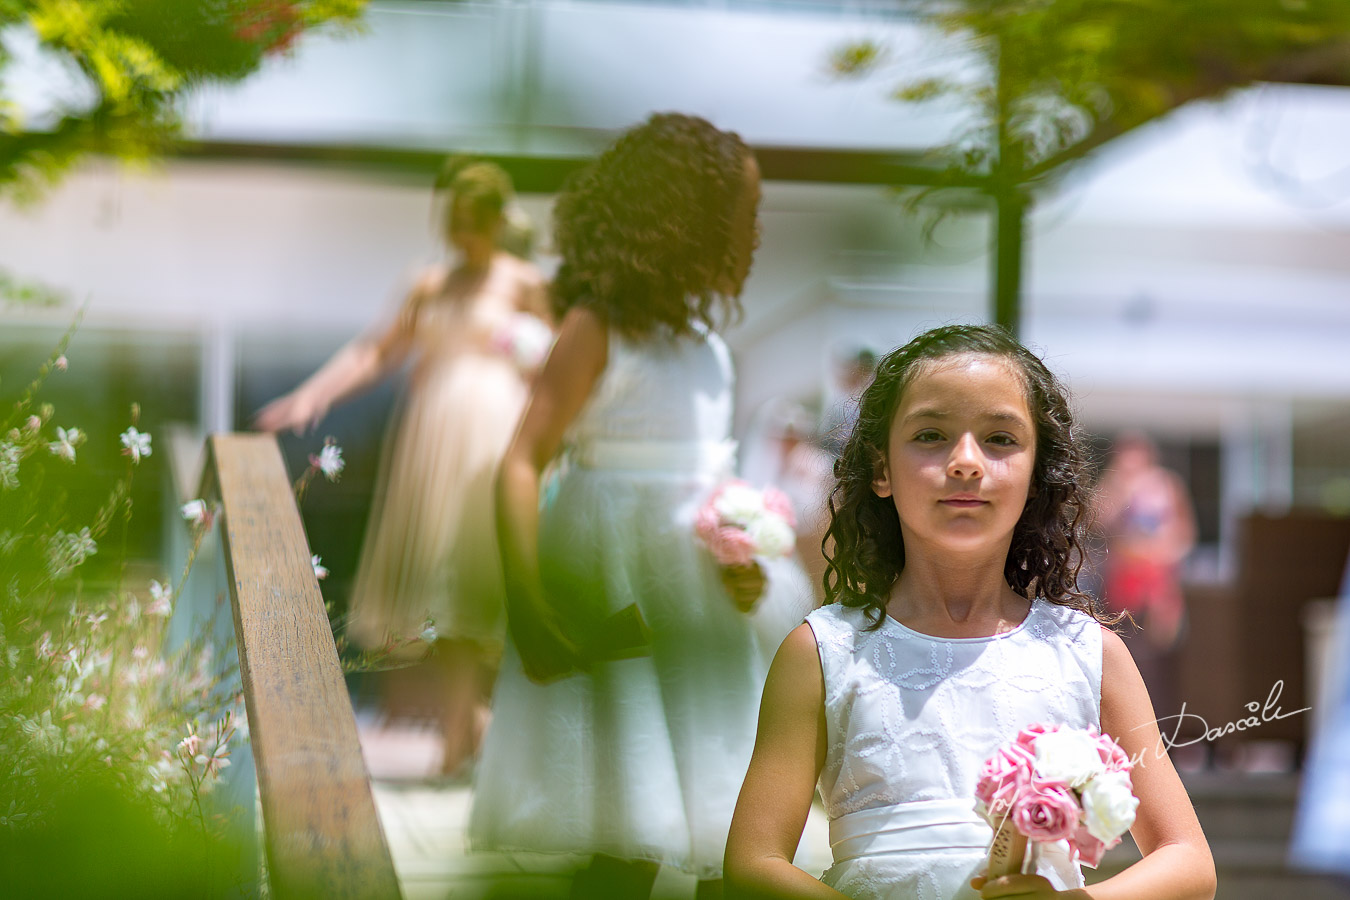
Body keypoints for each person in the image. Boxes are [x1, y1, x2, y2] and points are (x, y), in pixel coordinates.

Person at [724, 324, 1216, 900]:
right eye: (931, 434)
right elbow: (753, 862)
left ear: (1037, 475)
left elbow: (1188, 861)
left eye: (1001, 439)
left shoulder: (1090, 654)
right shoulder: (822, 652)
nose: (965, 462)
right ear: (881, 469)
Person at [469, 113, 813, 899]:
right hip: (612, 582)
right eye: (742, 216)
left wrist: (745, 557)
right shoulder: (597, 329)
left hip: (700, 607)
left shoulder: (710, 346)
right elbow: (522, 460)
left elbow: (707, 479)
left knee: (720, 809)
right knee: (623, 814)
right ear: (681, 222)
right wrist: (526, 601)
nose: (755, 236)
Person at [255, 160, 550, 777]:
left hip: (493, 442)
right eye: (453, 224)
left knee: (480, 577)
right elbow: (376, 350)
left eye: (472, 225)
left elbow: (556, 365)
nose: (461, 238)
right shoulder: (428, 282)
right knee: (440, 586)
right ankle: (459, 735)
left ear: (497, 221)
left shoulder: (524, 282)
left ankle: (474, 734)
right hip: (430, 443)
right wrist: (314, 394)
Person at [1092, 431, 1196, 723]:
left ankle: (1162, 729)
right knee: (1123, 657)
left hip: (1158, 588)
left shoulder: (1166, 485)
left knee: (1160, 662)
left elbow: (1184, 533)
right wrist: (1120, 491)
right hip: (1119, 590)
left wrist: (1161, 553)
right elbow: (1096, 525)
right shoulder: (1112, 486)